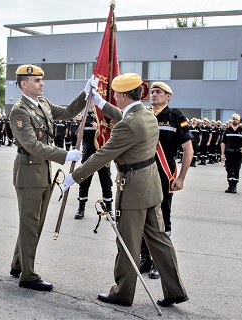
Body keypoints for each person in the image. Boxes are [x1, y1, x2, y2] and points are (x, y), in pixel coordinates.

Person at [63, 73, 188, 308]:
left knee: (127, 241)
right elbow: (126, 117)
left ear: (122, 95)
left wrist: (74, 176)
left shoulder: (130, 124)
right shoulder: (147, 115)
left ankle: (122, 292)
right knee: (159, 239)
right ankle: (175, 289)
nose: (115, 98)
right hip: (151, 185)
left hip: (133, 187)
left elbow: (102, 155)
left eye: (114, 95)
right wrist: (100, 102)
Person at [8, 64, 92, 291]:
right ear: (24, 84)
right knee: (30, 225)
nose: (42, 84)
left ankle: (18, 264)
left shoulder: (42, 103)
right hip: (28, 173)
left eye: (41, 80)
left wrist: (85, 94)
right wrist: (65, 155)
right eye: (37, 81)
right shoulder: (19, 111)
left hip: (43, 171)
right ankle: (28, 275)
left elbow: (66, 113)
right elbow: (31, 144)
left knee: (33, 223)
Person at [139, 82, 193, 279]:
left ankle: (158, 262)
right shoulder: (144, 115)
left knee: (162, 218)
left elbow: (188, 149)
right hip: (143, 175)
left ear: (168, 96)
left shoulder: (175, 117)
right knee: (143, 216)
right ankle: (144, 257)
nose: (153, 95)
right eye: (152, 92)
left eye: (158, 92)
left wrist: (180, 178)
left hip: (164, 174)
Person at [74, 110, 114, 220]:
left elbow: (112, 134)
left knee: (106, 183)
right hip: (88, 156)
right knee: (84, 182)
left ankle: (109, 210)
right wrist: (82, 123)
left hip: (103, 155)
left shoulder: (104, 118)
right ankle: (81, 208)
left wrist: (99, 128)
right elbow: (79, 136)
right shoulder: (85, 118)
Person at [220, 113, 242, 193]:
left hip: (237, 153)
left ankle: (234, 186)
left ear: (239, 121)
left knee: (236, 170)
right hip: (229, 153)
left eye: (236, 119)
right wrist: (222, 154)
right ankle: (230, 186)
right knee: (229, 169)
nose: (234, 120)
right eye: (233, 119)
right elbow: (223, 143)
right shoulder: (227, 130)